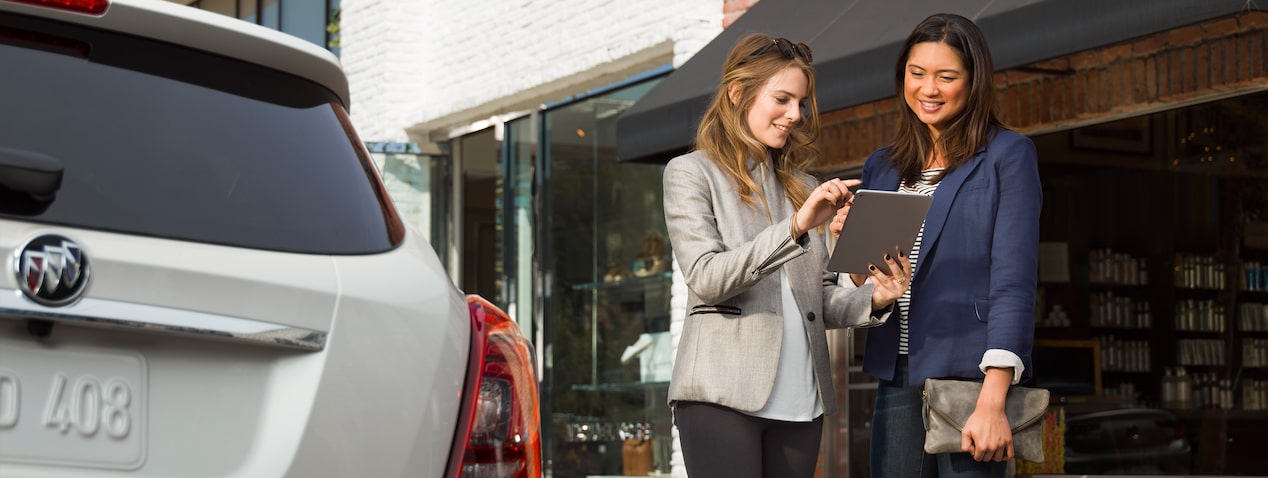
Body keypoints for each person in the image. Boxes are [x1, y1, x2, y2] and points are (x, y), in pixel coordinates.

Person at [661, 32, 913, 478]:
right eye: (782, 99)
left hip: (801, 398)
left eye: (800, 102)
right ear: (738, 93)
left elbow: (819, 301)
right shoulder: (690, 173)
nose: (795, 115)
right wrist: (797, 227)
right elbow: (705, 277)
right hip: (721, 395)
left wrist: (872, 294)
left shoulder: (803, 185)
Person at [829, 13, 1042, 477]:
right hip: (897, 374)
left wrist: (994, 398)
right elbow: (865, 282)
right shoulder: (883, 166)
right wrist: (849, 244)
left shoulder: (1007, 155)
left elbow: (1013, 280)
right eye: (916, 73)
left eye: (946, 77)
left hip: (971, 377)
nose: (928, 89)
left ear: (973, 81)